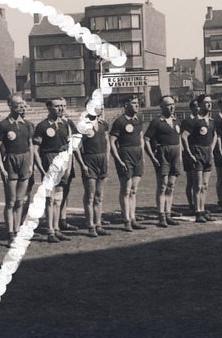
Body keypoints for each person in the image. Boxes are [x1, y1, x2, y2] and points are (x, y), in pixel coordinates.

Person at [0, 95, 34, 244]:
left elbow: (30, 144)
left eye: (22, 103)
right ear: (10, 105)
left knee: (20, 201)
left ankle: (17, 231)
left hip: (24, 160)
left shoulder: (27, 125)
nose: (20, 106)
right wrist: (0, 165)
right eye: (17, 104)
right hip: (11, 161)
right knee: (10, 201)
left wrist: (30, 164)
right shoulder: (3, 125)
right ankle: (10, 232)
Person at [32, 97, 72, 239]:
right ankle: (50, 230)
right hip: (49, 160)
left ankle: (56, 228)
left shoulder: (65, 124)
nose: (61, 108)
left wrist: (68, 166)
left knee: (58, 198)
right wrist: (41, 168)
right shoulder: (42, 126)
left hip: (62, 161)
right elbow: (35, 150)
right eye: (57, 106)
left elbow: (69, 148)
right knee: (49, 198)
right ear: (49, 108)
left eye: (62, 105)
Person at [144, 95, 184, 226]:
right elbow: (146, 140)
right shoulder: (156, 122)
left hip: (175, 154)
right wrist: (152, 156)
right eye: (168, 105)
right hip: (163, 154)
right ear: (161, 107)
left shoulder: (176, 120)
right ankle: (161, 216)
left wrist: (181, 154)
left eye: (172, 104)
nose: (171, 107)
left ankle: (168, 213)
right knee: (162, 186)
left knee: (171, 185)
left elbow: (179, 138)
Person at [108, 93, 145, 232]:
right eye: (134, 103)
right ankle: (126, 220)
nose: (137, 105)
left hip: (138, 156)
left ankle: (133, 218)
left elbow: (140, 137)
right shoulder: (120, 121)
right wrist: (118, 159)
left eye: (137, 102)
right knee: (126, 189)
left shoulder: (138, 119)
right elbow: (112, 142)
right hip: (125, 155)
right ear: (126, 105)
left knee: (134, 189)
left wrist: (142, 155)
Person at [72, 104, 110, 236]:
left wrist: (108, 159)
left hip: (102, 161)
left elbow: (107, 142)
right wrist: (82, 164)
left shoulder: (104, 124)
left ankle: (98, 223)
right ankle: (90, 225)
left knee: (99, 195)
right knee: (90, 195)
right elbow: (75, 146)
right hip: (89, 161)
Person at [181, 94, 218, 223]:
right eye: (206, 102)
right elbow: (184, 136)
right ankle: (198, 212)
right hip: (197, 152)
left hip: (207, 152)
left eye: (210, 102)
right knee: (198, 185)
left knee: (205, 185)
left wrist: (212, 149)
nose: (209, 104)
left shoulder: (211, 121)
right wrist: (189, 153)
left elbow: (215, 135)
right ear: (201, 104)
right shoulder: (194, 120)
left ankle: (202, 209)